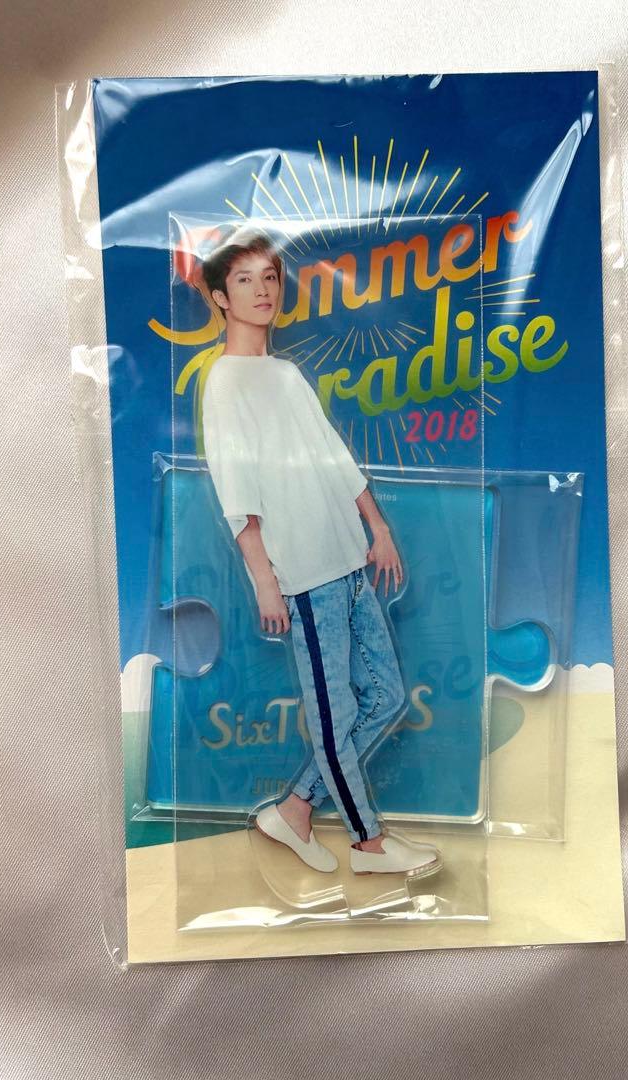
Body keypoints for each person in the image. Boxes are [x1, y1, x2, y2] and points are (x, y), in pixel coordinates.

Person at [197, 227, 440, 878]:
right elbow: (237, 492)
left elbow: (333, 453)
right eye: (244, 280)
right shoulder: (225, 384)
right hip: (304, 576)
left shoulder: (285, 374)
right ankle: (369, 845)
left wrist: (378, 527)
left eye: (270, 277)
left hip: (350, 562)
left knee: (386, 697)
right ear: (220, 297)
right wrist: (264, 580)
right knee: (335, 713)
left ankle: (296, 807)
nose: (262, 290)